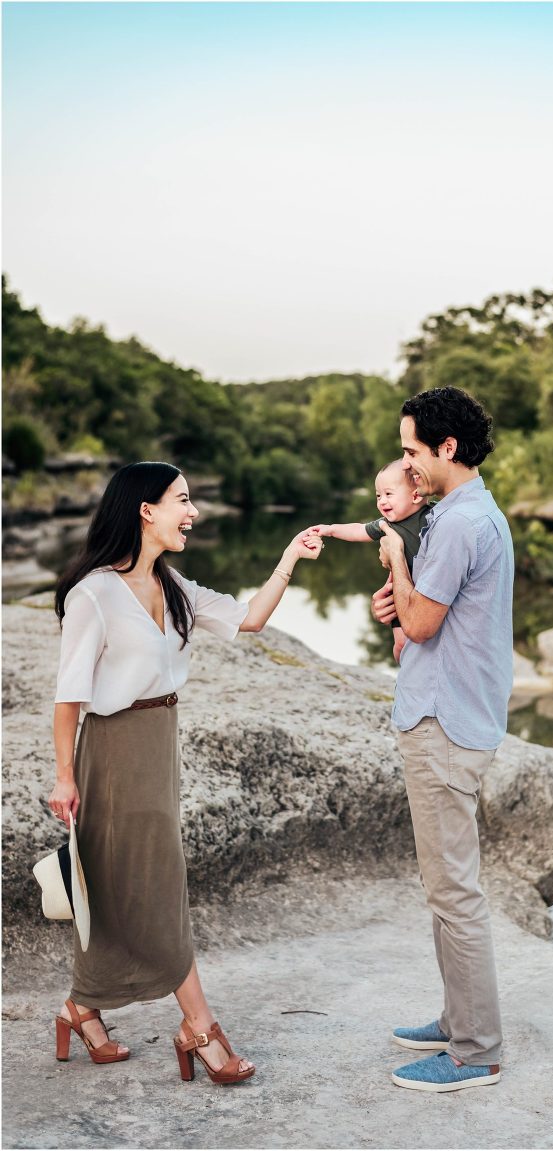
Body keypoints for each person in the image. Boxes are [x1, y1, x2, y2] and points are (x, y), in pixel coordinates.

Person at [48, 461, 322, 1085]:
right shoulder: (93, 592)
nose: (192, 512)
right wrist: (65, 777)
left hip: (159, 741)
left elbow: (249, 618)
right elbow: (69, 698)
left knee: (125, 881)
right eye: (182, 500)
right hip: (113, 750)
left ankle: (80, 1008)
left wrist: (289, 560)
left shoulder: (174, 587)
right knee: (156, 882)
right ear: (146, 510)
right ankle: (198, 1025)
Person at [371, 386, 514, 1094]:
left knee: (454, 892)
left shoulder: (458, 524)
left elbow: (424, 624)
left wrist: (396, 560)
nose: (407, 465)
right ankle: (460, 1018)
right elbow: (421, 625)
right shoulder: (469, 513)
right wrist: (394, 605)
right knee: (445, 889)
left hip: (445, 726)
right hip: (450, 714)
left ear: (446, 448)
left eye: (410, 451)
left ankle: (475, 1051)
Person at [304, 460, 429, 661]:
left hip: (427, 593)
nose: (381, 501)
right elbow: (358, 530)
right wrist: (330, 529)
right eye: (378, 495)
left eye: (388, 494)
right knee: (401, 643)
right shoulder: (387, 524)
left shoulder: (434, 516)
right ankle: (405, 672)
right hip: (401, 596)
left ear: (415, 495)